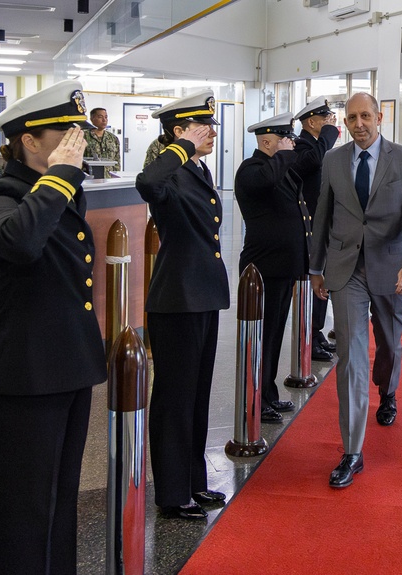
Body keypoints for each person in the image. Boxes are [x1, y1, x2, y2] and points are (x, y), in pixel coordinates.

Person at [0, 80, 105, 574]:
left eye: (79, 131)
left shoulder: (60, 191)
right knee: (25, 515)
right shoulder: (3, 195)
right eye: (67, 132)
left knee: (60, 503)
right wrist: (61, 176)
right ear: (29, 140)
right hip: (22, 377)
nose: (78, 141)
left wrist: (64, 177)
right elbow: (22, 240)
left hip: (66, 365)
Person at [309, 92, 402, 488]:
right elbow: (323, 214)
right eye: (351, 117)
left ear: (380, 117)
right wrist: (316, 268)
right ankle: (352, 451)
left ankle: (389, 390)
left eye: (365, 116)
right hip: (346, 271)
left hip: (392, 268)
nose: (358, 123)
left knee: (390, 345)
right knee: (351, 358)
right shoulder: (333, 160)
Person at [137, 91, 229, 519]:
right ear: (178, 132)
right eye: (200, 126)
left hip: (201, 294)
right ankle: (172, 492)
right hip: (177, 298)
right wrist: (180, 148)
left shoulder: (196, 169)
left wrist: (188, 151)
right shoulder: (169, 170)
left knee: (197, 395)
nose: (211, 132)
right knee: (175, 397)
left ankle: (194, 481)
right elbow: (148, 184)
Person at [234, 112, 309, 424]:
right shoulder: (251, 170)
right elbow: (267, 180)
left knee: (275, 335)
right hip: (262, 268)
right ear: (266, 141)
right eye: (283, 139)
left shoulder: (279, 166)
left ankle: (268, 393)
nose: (290, 144)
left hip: (282, 266)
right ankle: (255, 398)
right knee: (261, 337)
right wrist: (284, 156)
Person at [291, 96, 340, 362]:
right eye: (325, 120)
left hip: (322, 225)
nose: (331, 123)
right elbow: (313, 160)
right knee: (314, 281)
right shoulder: (302, 146)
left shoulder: (315, 145)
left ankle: (317, 332)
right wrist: (330, 134)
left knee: (323, 280)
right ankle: (309, 332)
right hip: (309, 227)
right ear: (311, 122)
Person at [83, 107, 120, 178]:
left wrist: (116, 176)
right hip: (90, 178)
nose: (104, 120)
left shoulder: (113, 138)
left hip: (109, 178)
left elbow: (117, 159)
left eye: (106, 117)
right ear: (92, 119)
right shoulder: (84, 136)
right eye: (100, 117)